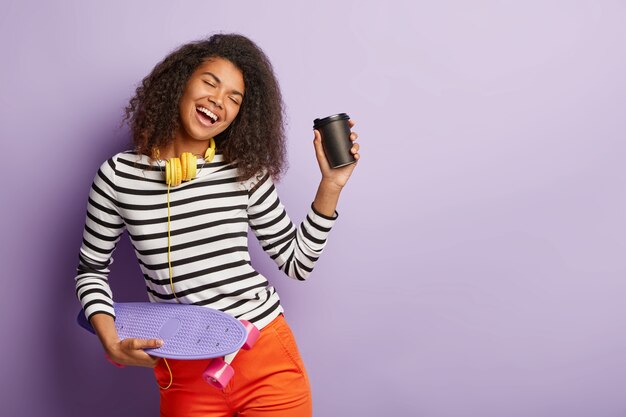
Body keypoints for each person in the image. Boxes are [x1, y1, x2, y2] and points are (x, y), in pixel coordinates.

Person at [75, 33, 360, 417]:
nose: (218, 101)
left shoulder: (244, 172)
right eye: (210, 82)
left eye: (234, 98)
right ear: (180, 82)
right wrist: (108, 337)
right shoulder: (118, 176)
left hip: (264, 357)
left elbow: (298, 262)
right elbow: (91, 270)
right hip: (182, 368)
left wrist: (331, 185)